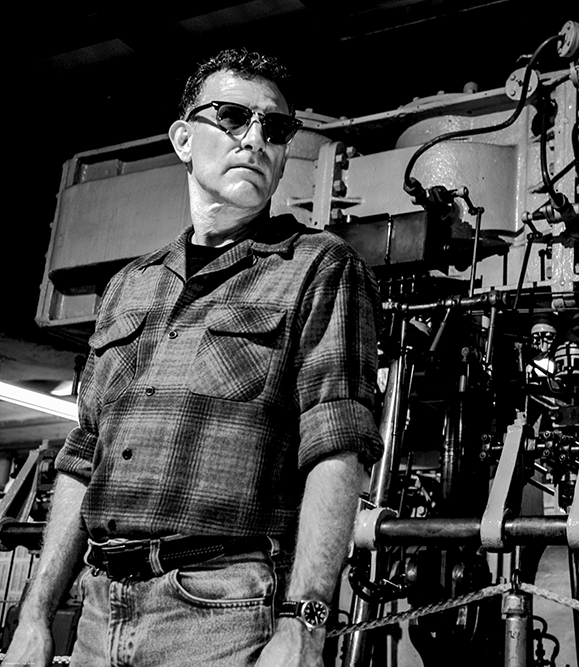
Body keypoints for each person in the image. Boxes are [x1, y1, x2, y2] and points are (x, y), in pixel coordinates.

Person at [2, 48, 383, 667]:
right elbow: (82, 457)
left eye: (275, 128)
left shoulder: (318, 266)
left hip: (220, 613)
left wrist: (305, 624)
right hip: (98, 610)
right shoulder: (130, 285)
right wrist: (37, 615)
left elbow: (336, 446)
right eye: (232, 117)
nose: (256, 139)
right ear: (183, 139)